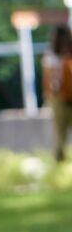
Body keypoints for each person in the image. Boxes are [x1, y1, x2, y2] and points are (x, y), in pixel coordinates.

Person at [44, 25, 72, 164]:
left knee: (60, 132)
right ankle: (59, 162)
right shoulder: (52, 56)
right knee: (60, 133)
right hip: (60, 98)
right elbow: (50, 82)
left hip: (65, 96)